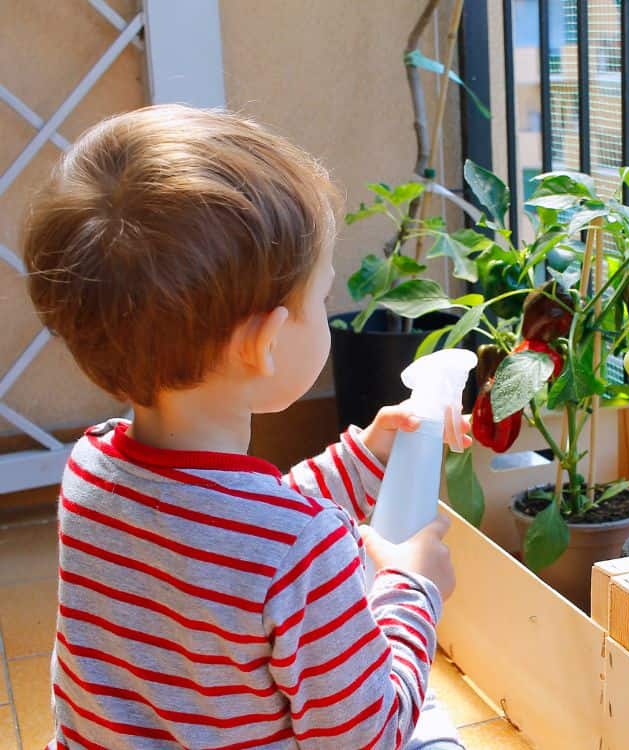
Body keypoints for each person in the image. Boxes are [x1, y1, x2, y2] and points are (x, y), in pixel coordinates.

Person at [23, 104, 466, 749]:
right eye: (320, 299)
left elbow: (234, 525)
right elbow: (366, 736)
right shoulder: (302, 553)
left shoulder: (91, 470)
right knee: (430, 725)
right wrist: (412, 587)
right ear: (265, 344)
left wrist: (362, 457)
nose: (326, 312)